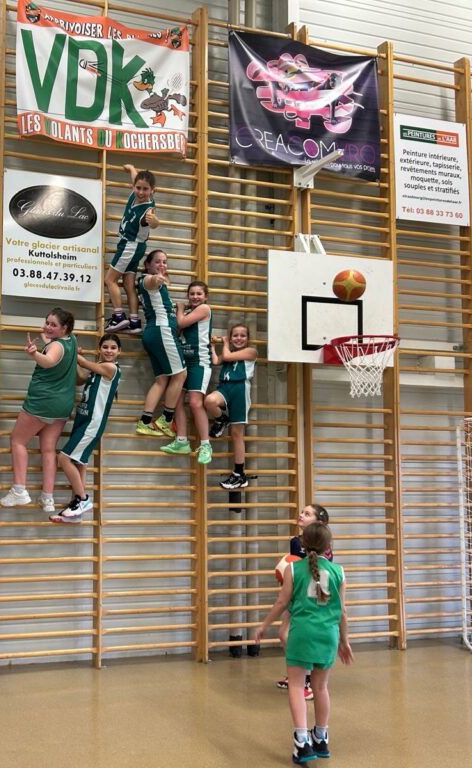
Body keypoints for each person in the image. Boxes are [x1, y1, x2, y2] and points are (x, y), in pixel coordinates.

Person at [254, 522, 353, 764]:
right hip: (328, 635)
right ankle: (321, 736)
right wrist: (344, 641)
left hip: (302, 633)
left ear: (302, 544)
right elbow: (343, 612)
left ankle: (302, 741)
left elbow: (282, 602)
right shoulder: (339, 571)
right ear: (329, 546)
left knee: (297, 686)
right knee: (321, 687)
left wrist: (265, 625)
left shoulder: (293, 569)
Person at [1, 309, 78, 515]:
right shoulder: (72, 340)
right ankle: (48, 497)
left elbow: (50, 360)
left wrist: (34, 353)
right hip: (63, 405)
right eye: (47, 322)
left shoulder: (55, 346)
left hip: (43, 402)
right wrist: (47, 339)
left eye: (53, 324)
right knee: (48, 449)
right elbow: (56, 350)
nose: (47, 327)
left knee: (18, 441)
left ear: (64, 328)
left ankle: (19, 490)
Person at [51, 333, 122, 523]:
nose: (109, 351)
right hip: (83, 419)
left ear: (119, 352)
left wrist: (71, 349)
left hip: (92, 422)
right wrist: (76, 360)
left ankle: (83, 499)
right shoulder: (97, 368)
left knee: (63, 458)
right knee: (79, 462)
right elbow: (80, 377)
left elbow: (84, 363)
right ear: (99, 349)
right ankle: (76, 510)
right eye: (105, 347)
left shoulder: (111, 368)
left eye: (113, 348)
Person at [277, 504, 334, 700]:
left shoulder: (325, 545)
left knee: (293, 635)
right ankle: (299, 675)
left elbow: (320, 575)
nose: (301, 515)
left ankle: (306, 680)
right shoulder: (295, 542)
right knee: (284, 635)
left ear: (318, 522)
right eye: (302, 512)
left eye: (307, 514)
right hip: (297, 596)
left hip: (313, 598)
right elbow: (295, 568)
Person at [133, 250, 186, 439]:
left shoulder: (152, 282)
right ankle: (166, 419)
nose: (162, 265)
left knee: (162, 380)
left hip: (154, 333)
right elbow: (152, 281)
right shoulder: (147, 280)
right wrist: (158, 278)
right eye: (157, 261)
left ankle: (145, 421)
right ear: (147, 264)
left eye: (165, 262)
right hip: (161, 331)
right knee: (181, 374)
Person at [160, 280, 213, 465]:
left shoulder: (204, 309)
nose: (195, 297)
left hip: (199, 362)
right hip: (184, 362)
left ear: (205, 297)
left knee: (195, 403)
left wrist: (180, 309)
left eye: (199, 293)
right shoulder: (190, 312)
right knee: (176, 400)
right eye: (192, 294)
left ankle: (206, 444)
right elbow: (177, 328)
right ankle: (182, 440)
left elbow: (180, 322)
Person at [104, 164, 159, 334]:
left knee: (110, 280)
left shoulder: (147, 210)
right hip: (136, 248)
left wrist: (155, 221)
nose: (141, 192)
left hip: (130, 246)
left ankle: (119, 316)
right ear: (133, 186)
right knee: (128, 284)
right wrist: (132, 168)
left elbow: (154, 222)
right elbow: (136, 177)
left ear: (152, 190)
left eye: (145, 189)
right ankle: (134, 321)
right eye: (138, 188)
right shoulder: (134, 194)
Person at [205, 323, 257, 490]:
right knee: (209, 401)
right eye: (235, 335)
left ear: (248, 338)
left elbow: (226, 357)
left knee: (236, 434)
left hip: (240, 390)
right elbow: (216, 360)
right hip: (225, 387)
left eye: (243, 335)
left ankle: (239, 474)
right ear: (231, 337)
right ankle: (221, 419)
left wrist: (225, 342)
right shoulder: (229, 352)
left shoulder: (251, 352)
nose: (239, 338)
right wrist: (213, 346)